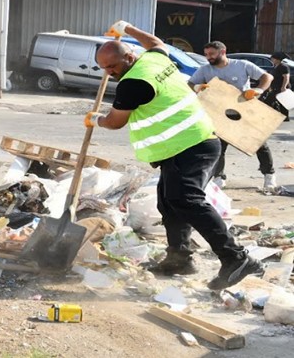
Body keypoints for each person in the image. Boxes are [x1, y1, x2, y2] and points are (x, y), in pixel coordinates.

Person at [85, 21, 263, 290]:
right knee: (169, 202)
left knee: (187, 199)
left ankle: (236, 258)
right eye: (105, 69)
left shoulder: (134, 83)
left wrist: (95, 120)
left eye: (113, 67)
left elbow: (115, 121)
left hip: (191, 146)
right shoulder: (154, 59)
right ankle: (179, 258)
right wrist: (128, 29)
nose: (110, 73)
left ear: (129, 57)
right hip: (184, 146)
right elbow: (155, 42)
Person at [187, 41, 279, 193]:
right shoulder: (205, 69)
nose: (208, 57)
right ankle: (219, 177)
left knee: (260, 144)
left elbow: (267, 77)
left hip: (244, 111)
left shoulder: (242, 65)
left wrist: (258, 90)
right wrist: (196, 87)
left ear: (223, 51)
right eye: (206, 54)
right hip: (219, 113)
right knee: (219, 147)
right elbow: (190, 83)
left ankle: (269, 175)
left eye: (212, 54)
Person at [260, 51, 291, 122]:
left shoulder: (283, 66)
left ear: (277, 59)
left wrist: (284, 87)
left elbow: (286, 77)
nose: (271, 59)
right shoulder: (276, 66)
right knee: (276, 101)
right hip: (275, 87)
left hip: (280, 88)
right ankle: (283, 116)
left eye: (272, 58)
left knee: (275, 101)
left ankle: (284, 117)